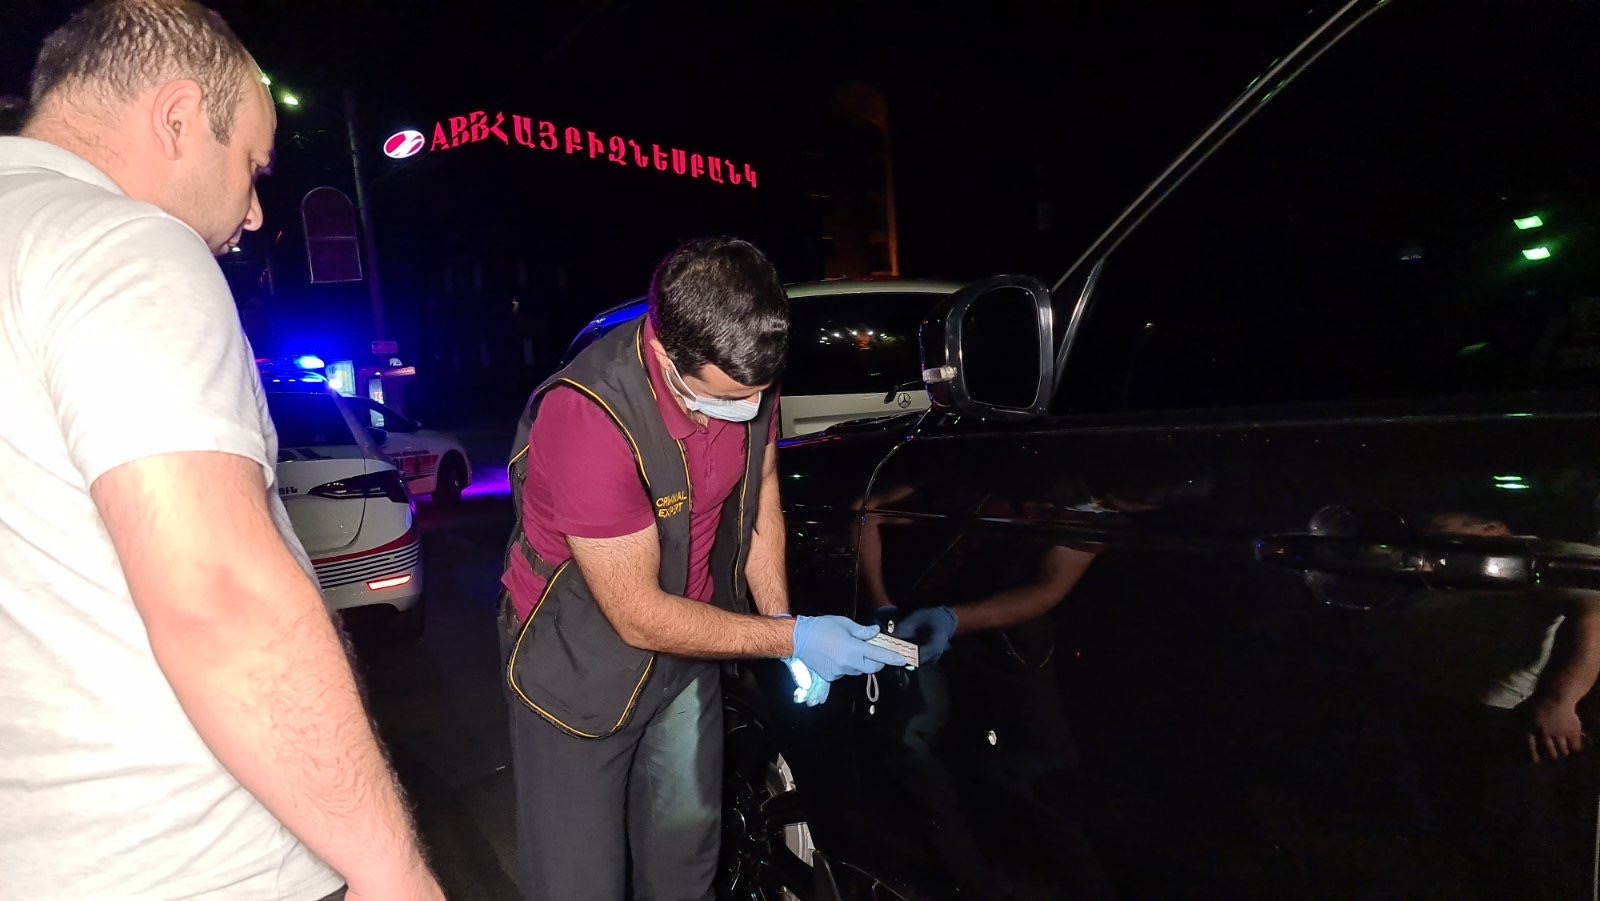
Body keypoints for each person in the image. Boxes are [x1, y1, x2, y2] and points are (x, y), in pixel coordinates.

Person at [0, 3, 442, 899]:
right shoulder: (121, 243)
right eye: (251, 164)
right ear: (176, 119)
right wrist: (392, 871)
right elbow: (218, 595)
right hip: (198, 861)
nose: (254, 210)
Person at [499, 236, 908, 900]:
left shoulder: (746, 366)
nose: (744, 411)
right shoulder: (589, 417)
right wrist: (796, 636)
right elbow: (636, 616)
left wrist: (780, 619)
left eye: (756, 396)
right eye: (723, 399)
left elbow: (761, 493)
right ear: (666, 354)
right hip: (579, 661)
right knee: (580, 880)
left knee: (686, 861)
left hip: (689, 646)